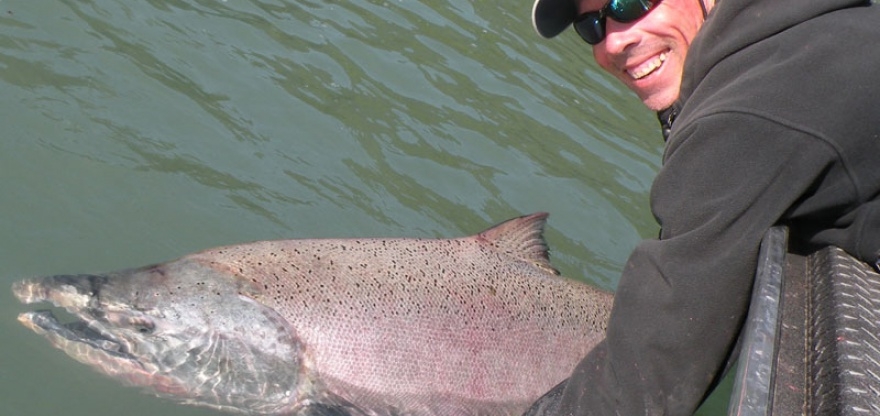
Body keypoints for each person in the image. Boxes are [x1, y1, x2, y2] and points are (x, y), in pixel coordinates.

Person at [526, 0, 880, 414]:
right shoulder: (802, 34)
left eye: (629, 4)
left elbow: (640, 387)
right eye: (590, 26)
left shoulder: (749, 113)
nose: (613, 42)